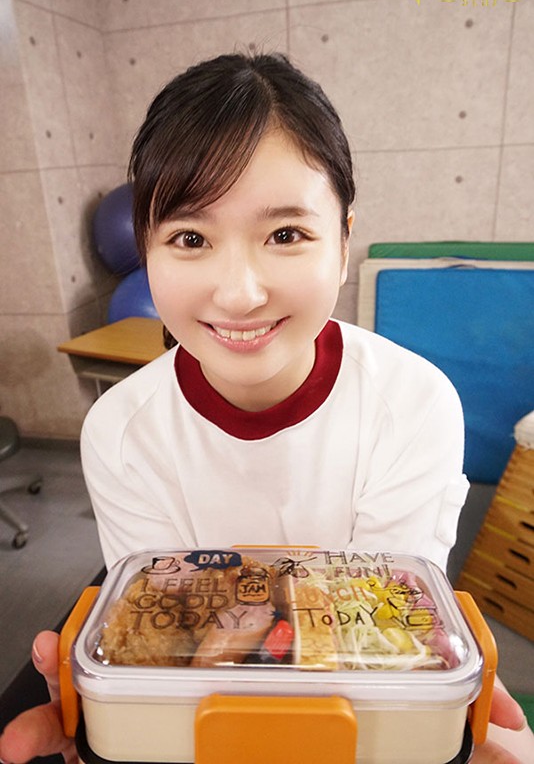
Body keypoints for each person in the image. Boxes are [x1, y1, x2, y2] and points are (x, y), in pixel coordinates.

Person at [1, 53, 531, 764]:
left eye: (285, 235)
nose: (240, 293)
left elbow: (380, 632)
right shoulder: (122, 429)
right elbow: (169, 631)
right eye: (190, 238)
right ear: (146, 254)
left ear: (343, 242)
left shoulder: (413, 405)